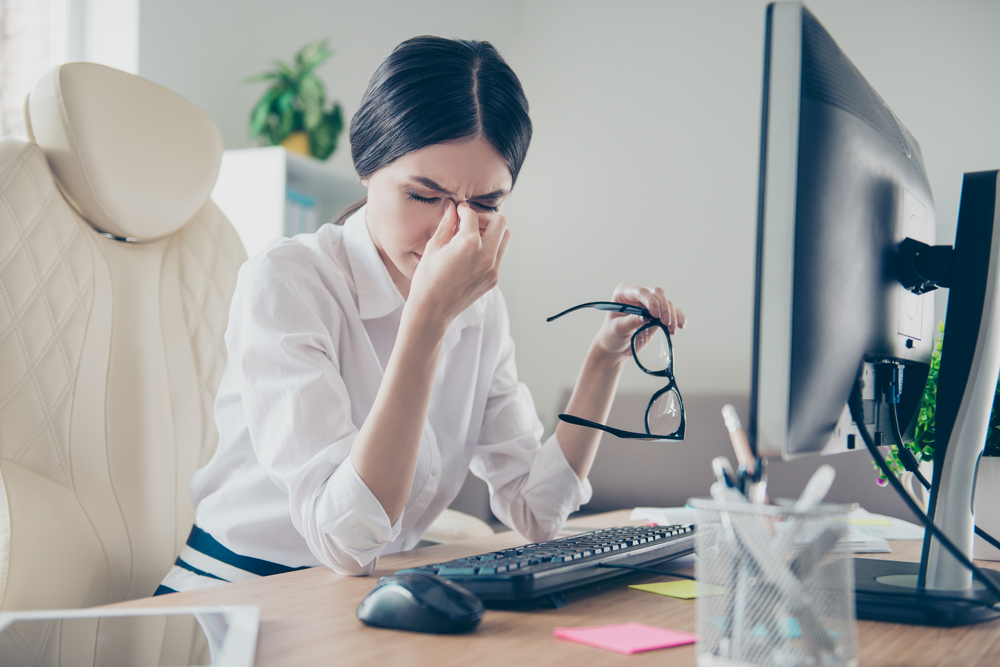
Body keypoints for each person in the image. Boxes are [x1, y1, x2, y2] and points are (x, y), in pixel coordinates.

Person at [156, 36, 685, 594]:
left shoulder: (480, 308)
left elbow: (536, 513)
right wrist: (427, 323)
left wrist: (603, 361)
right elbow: (344, 539)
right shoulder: (287, 281)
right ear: (367, 166)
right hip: (237, 595)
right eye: (422, 195)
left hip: (363, 597)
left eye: (485, 206)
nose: (452, 232)